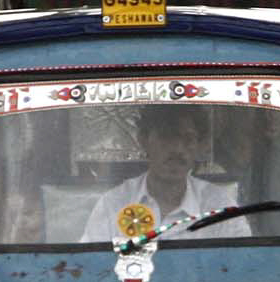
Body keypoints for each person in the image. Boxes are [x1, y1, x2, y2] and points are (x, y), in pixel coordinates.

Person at [82, 103, 237, 242]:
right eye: (166, 137)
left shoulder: (220, 207)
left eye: (188, 139)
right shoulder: (113, 204)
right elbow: (90, 266)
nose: (177, 149)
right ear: (143, 140)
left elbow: (242, 266)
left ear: (199, 145)